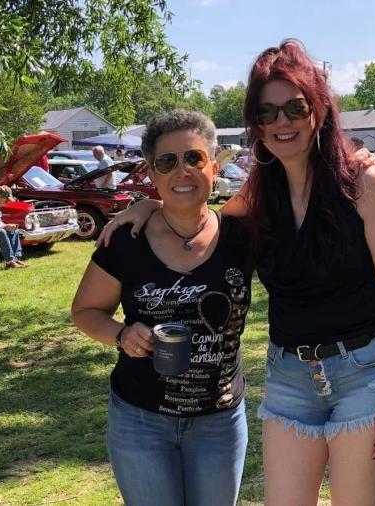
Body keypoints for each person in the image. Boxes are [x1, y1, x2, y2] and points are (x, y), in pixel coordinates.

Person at [99, 39, 375, 506]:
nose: (281, 122)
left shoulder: (361, 185)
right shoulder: (258, 192)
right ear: (255, 125)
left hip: (363, 375)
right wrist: (152, 203)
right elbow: (203, 219)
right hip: (289, 376)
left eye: (295, 107)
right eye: (267, 113)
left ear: (319, 110)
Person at [71, 110, 251, 506]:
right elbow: (84, 311)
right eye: (167, 162)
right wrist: (121, 334)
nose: (181, 171)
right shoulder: (126, 240)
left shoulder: (241, 235)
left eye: (194, 158)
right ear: (152, 173)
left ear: (214, 162)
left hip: (219, 423)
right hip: (141, 422)